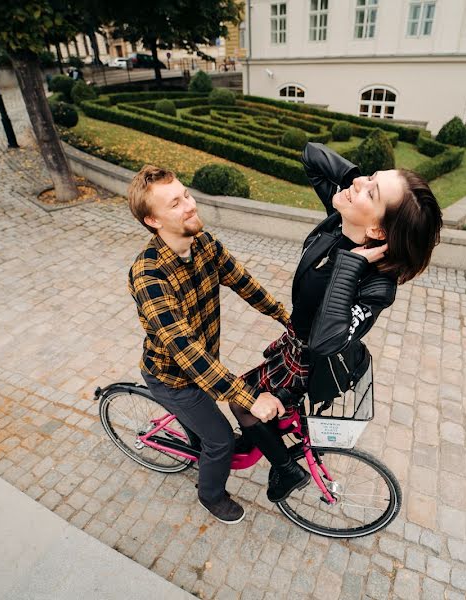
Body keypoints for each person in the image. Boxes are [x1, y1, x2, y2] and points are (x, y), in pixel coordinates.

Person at [230, 142, 443, 503]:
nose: (357, 186)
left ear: (377, 231)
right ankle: (267, 436)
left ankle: (285, 468)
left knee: (239, 401)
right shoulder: (345, 214)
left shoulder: (376, 286)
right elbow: (311, 155)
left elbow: (328, 341)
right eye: (370, 178)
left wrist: (351, 264)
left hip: (306, 364)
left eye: (371, 191)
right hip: (292, 343)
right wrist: (355, 180)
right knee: (258, 407)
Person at [126, 165, 291, 524]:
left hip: (205, 365)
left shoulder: (204, 244)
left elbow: (244, 283)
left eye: (186, 194)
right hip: (173, 378)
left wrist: (285, 317)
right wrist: (248, 398)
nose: (190, 205)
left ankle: (199, 439)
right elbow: (185, 351)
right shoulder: (148, 274)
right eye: (175, 204)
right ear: (153, 221)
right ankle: (210, 494)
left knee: (214, 424)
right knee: (220, 442)